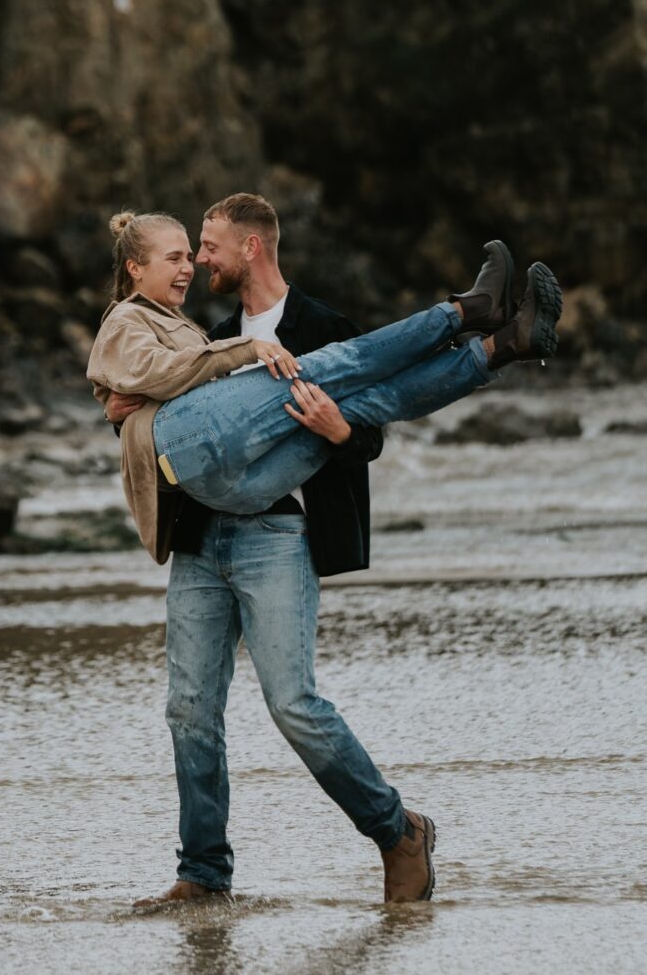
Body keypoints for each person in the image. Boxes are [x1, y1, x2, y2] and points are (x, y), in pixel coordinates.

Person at [87, 199, 562, 903]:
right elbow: (173, 410)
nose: (199, 263)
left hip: (275, 532)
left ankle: (397, 830)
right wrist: (131, 400)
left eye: (206, 248)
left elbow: (370, 435)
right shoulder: (208, 335)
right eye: (185, 253)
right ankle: (202, 874)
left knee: (297, 706)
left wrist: (339, 431)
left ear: (252, 247)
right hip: (200, 536)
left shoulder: (319, 325)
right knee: (189, 710)